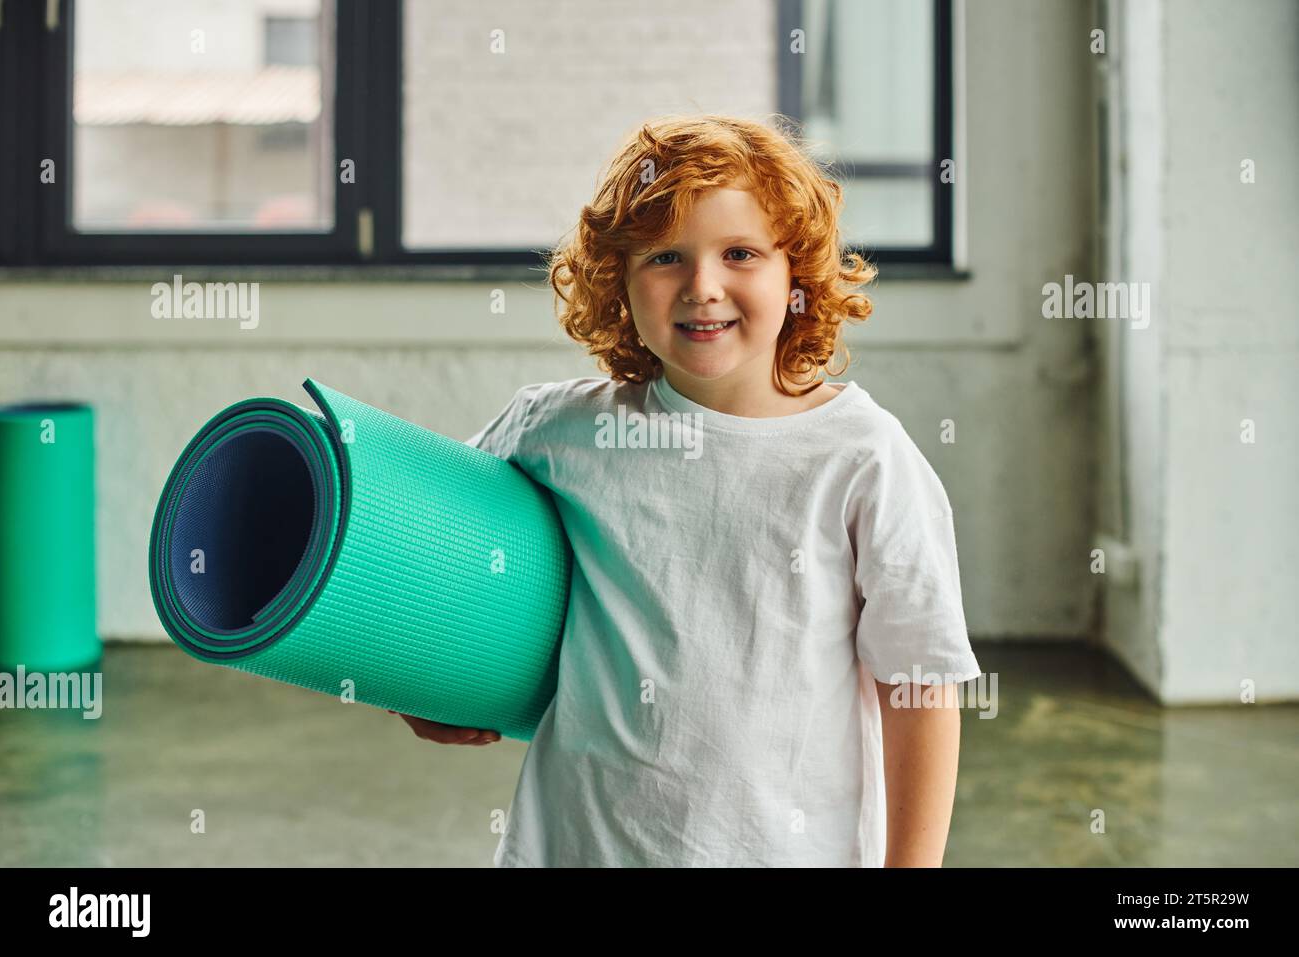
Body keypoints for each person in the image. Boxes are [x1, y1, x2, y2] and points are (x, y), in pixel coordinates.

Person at [394, 113, 981, 867]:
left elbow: (921, 684)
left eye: (740, 253)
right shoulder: (558, 429)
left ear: (795, 274)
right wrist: (418, 682)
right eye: (666, 256)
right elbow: (430, 543)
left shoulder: (863, 459)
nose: (703, 287)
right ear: (618, 279)